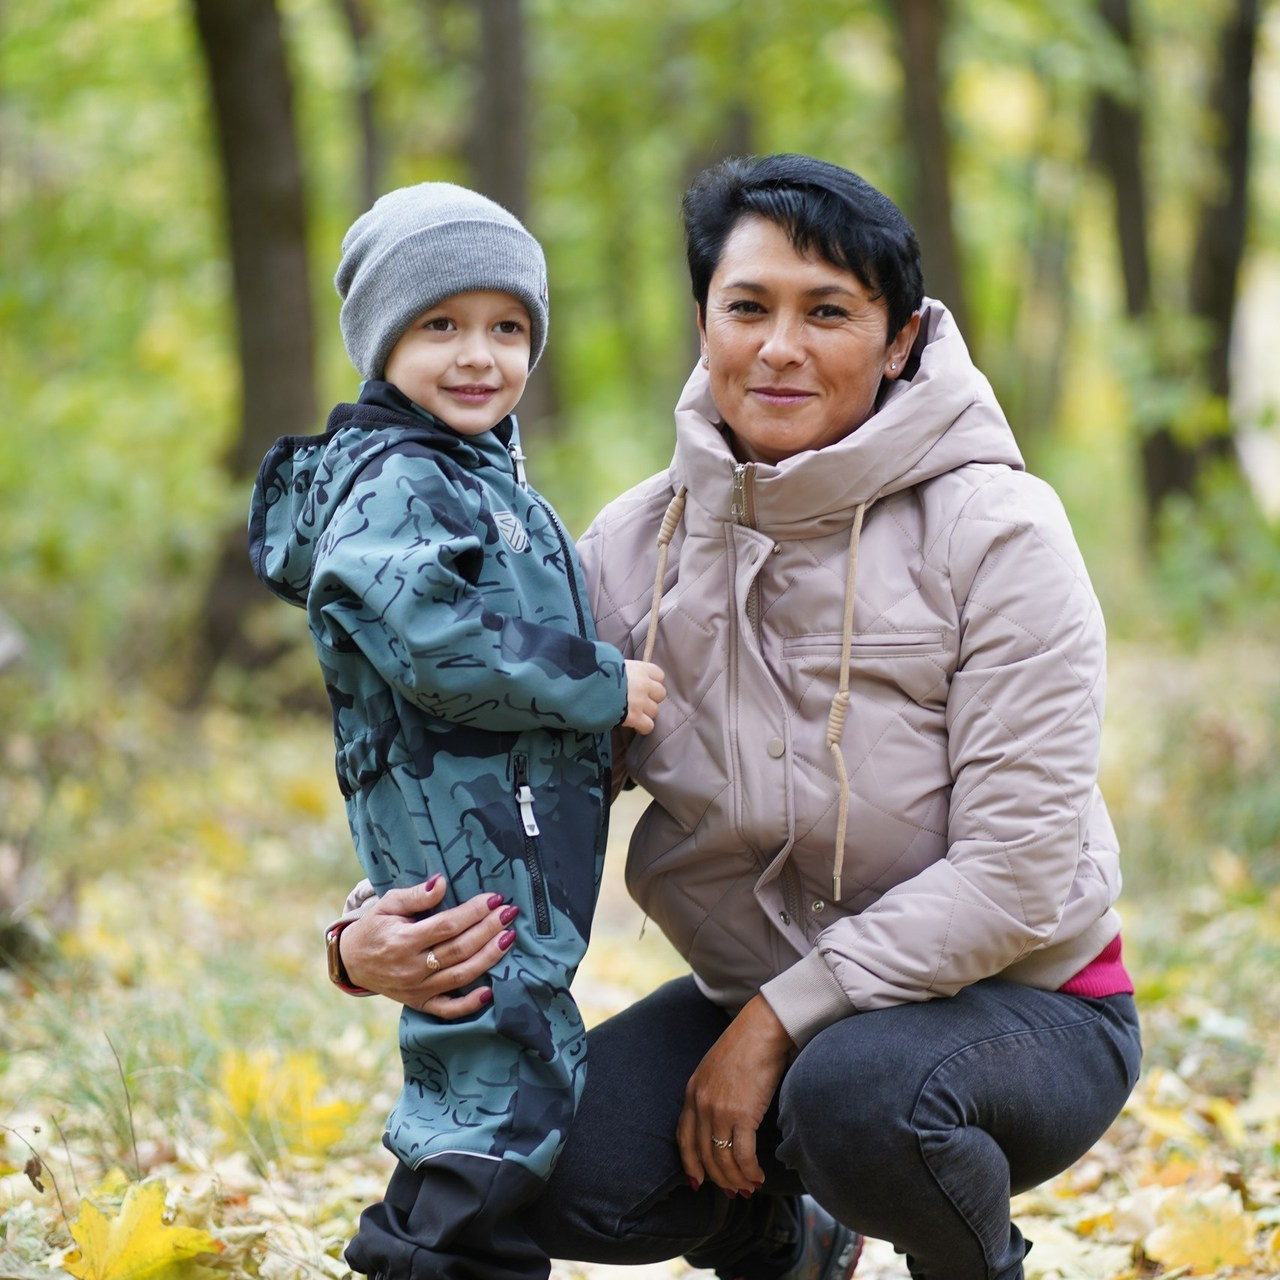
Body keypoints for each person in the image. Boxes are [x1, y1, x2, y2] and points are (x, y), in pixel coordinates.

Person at [331, 154, 1142, 1280]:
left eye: (828, 312)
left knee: (857, 1095)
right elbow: (485, 764)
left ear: (899, 339)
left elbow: (1015, 869)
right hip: (753, 1003)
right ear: (701, 320)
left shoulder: (998, 530)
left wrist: (771, 1022)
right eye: (746, 306)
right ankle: (789, 1241)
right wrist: (365, 932)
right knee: (546, 1159)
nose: (777, 347)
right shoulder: (626, 547)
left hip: (1022, 1008)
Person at [248, 181, 666, 1280]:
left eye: (506, 327)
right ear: (381, 340)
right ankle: (425, 1259)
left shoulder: (477, 475)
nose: (478, 354)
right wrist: (600, 683)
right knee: (493, 1085)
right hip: (466, 841)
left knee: (505, 1068)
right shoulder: (400, 479)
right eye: (439, 325)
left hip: (506, 833)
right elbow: (434, 644)